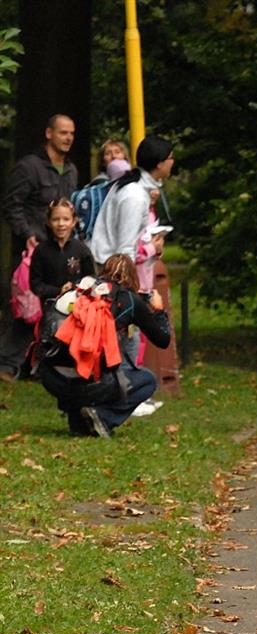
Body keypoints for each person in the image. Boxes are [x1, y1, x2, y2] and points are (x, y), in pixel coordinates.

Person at [37, 253, 170, 437]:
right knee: (147, 380)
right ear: (132, 277)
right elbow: (163, 340)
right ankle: (103, 416)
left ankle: (79, 423)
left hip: (51, 376)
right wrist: (159, 311)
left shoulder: (80, 288)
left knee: (79, 362)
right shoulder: (130, 300)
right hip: (89, 382)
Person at [1, 114, 79, 382]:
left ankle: (43, 365)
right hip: (32, 251)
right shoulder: (29, 167)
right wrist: (27, 234)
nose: (68, 138)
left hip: (60, 251)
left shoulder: (71, 170)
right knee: (26, 308)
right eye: (63, 132)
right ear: (49, 133)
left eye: (71, 133)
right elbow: (12, 205)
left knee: (57, 305)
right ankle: (7, 364)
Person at [89, 135, 174, 265]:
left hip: (111, 265)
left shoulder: (136, 186)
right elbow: (125, 250)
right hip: (109, 268)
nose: (173, 162)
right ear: (160, 164)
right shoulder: (134, 196)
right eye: (171, 158)